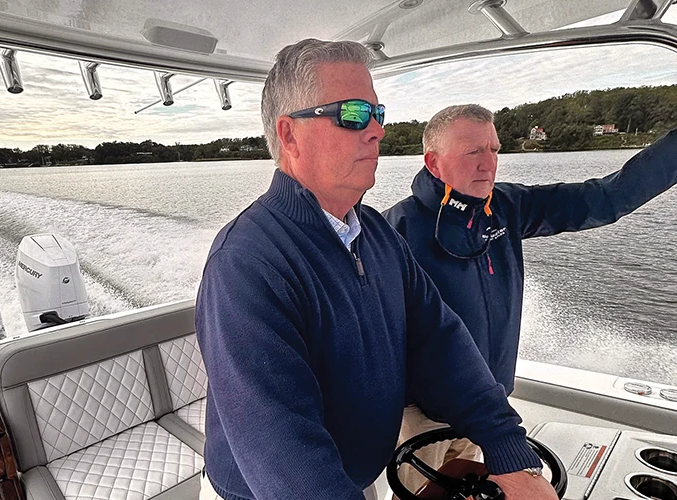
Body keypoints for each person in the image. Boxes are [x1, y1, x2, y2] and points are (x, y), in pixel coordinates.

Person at [195, 41, 557, 500]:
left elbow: (440, 342)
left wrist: (509, 451)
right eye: (351, 115)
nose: (376, 131)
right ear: (289, 135)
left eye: (377, 114)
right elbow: (282, 450)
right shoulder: (245, 263)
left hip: (355, 477)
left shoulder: (378, 236)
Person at [383, 104, 677, 491]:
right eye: (473, 152)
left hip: (490, 407)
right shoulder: (394, 231)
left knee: (469, 487)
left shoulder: (507, 207)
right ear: (433, 163)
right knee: (423, 492)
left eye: (494, 149)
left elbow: (605, 199)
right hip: (424, 414)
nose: (489, 164)